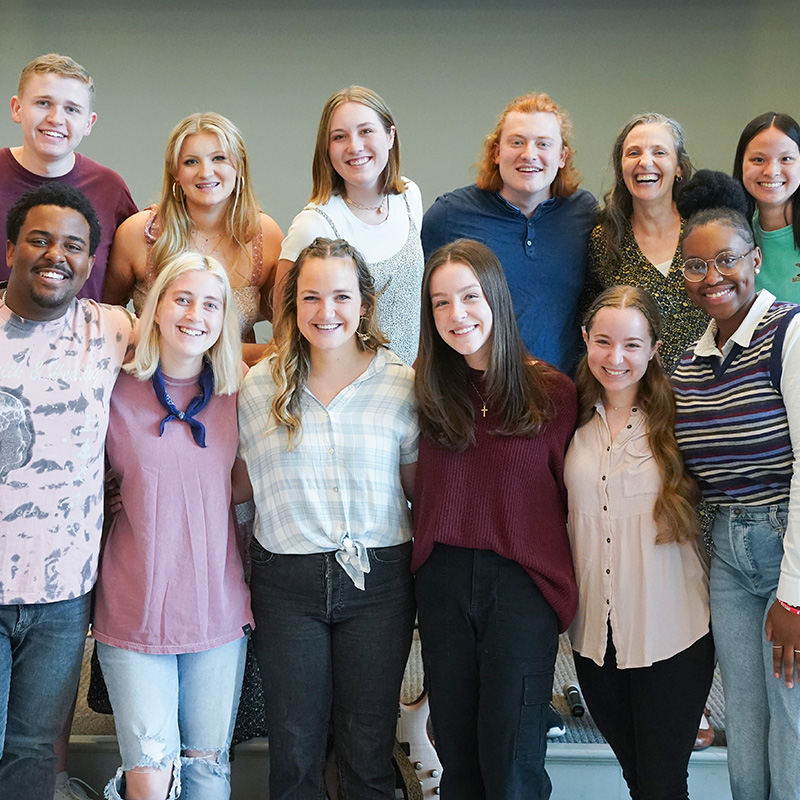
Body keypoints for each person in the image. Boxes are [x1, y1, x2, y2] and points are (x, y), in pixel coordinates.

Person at [238, 237, 417, 799]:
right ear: (292, 305)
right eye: (310, 297)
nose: (326, 312)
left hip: (380, 580)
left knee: (366, 746)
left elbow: (420, 490)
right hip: (287, 582)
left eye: (340, 296)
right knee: (295, 746)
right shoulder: (260, 385)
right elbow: (239, 482)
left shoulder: (400, 383)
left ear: (364, 303)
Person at [412, 238, 577, 799]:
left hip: (521, 586)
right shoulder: (424, 392)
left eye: (470, 296)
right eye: (440, 303)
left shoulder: (553, 393)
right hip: (443, 583)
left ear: (497, 300)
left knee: (512, 763)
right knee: (458, 761)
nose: (456, 315)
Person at [92, 252, 252, 800]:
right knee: (149, 779)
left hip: (217, 610)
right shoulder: (111, 386)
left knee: (208, 777)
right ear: (155, 306)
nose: (195, 314)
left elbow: (254, 481)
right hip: (134, 611)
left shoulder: (241, 392)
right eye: (182, 298)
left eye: (211, 304)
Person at [0, 183, 135, 800]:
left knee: (33, 749)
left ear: (89, 262)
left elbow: (202, 336)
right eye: (40, 239)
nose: (57, 254)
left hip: (62, 592)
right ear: (11, 252)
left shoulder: (111, 330)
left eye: (74, 246)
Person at [673, 170, 800, 800]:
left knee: (792, 717)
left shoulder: (790, 332)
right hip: (726, 548)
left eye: (727, 259)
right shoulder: (689, 364)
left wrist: (796, 597)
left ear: (755, 259)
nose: (713, 276)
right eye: (696, 265)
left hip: (787, 543)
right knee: (743, 717)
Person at [566, 285, 714, 798]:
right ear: (586, 340)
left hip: (671, 632)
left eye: (632, 344)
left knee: (661, 782)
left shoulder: (683, 417)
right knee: (637, 778)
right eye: (604, 341)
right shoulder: (567, 418)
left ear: (654, 348)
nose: (616, 358)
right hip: (593, 638)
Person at [421, 92, 596, 374]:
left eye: (543, 144)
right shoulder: (448, 217)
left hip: (564, 395)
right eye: (517, 142)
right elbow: (426, 308)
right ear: (496, 152)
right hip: (474, 394)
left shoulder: (584, 214)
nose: (529, 154)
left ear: (562, 156)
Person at [104, 112, 282, 365]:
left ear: (239, 166)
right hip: (149, 382)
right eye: (191, 162)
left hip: (233, 387)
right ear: (175, 172)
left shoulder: (265, 234)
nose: (205, 172)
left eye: (218, 158)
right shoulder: (136, 233)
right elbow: (104, 321)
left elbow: (291, 330)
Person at [276, 86, 424, 366]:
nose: (354, 146)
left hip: (409, 386)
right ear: (327, 149)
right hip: (346, 394)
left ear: (390, 136)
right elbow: (284, 328)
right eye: (339, 137)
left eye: (366, 131)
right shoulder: (314, 225)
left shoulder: (409, 197)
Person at [0, 53, 137, 300]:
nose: (56, 119)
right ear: (17, 108)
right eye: (43, 103)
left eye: (72, 109)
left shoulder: (110, 189)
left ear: (88, 123)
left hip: (86, 337)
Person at [588, 113, 708, 373]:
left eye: (659, 152)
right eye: (633, 153)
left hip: (709, 393)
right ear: (620, 168)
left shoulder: (705, 229)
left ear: (679, 167)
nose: (645, 162)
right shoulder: (604, 240)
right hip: (639, 396)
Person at [733, 112, 800, 302]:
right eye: (759, 160)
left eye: (786, 159)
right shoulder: (733, 236)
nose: (771, 171)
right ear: (741, 164)